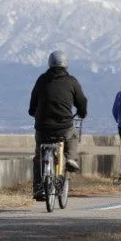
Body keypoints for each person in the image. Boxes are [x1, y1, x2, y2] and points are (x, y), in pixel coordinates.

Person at [28, 50, 88, 199]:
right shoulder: (72, 81)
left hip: (43, 128)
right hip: (63, 127)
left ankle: (38, 187)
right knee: (73, 134)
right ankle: (70, 158)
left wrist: (33, 112)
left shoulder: (41, 80)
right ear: (66, 65)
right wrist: (82, 112)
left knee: (38, 157)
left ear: (50, 63)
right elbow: (82, 101)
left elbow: (32, 103)